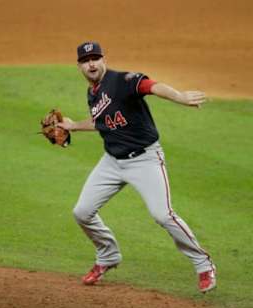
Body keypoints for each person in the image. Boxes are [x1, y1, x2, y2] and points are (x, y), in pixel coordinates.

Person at [58, 41, 216, 293]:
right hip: (112, 162)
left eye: (95, 58)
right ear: (79, 66)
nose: (91, 64)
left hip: (145, 160)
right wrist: (73, 125)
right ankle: (107, 256)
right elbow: (103, 122)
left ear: (103, 60)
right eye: (86, 61)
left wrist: (180, 97)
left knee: (163, 215)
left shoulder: (122, 80)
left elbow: (152, 86)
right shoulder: (93, 92)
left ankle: (203, 264)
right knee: (82, 211)